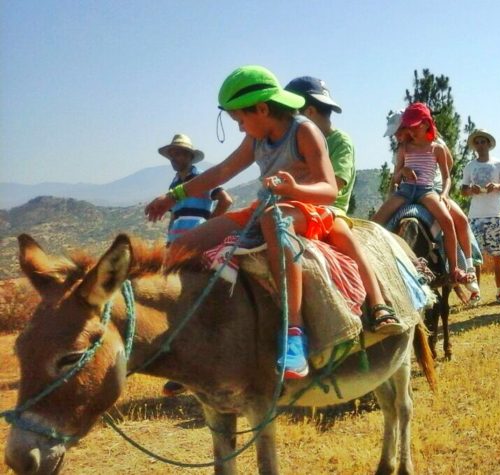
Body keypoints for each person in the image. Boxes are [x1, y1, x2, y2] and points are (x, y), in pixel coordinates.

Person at [145, 65, 395, 381]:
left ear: (262, 109)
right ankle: (193, 337)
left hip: (307, 209)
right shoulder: (255, 138)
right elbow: (221, 172)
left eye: (241, 119)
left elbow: (329, 190)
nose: (240, 128)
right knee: (184, 244)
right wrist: (173, 196)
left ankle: (294, 335)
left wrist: (294, 189)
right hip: (266, 205)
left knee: (272, 219)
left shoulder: (304, 131)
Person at [284, 76, 400, 332]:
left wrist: (293, 190)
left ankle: (379, 303)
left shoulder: (340, 142)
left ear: (309, 112)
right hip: (295, 207)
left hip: (328, 208)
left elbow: (336, 184)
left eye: (291, 114)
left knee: (343, 237)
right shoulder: (296, 142)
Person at [157, 133, 232, 397]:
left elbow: (226, 200)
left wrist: (208, 228)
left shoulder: (200, 179)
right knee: (182, 304)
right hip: (178, 249)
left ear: (189, 156)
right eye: (173, 154)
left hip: (196, 248)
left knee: (194, 303)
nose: (175, 158)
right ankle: (188, 370)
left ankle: (194, 371)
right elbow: (176, 216)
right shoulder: (176, 182)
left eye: (180, 154)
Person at [382, 110, 481, 301]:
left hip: (431, 188)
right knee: (380, 221)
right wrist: (402, 173)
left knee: (457, 219)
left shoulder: (437, 146)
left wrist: (442, 192)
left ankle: (464, 266)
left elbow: (447, 170)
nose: (396, 135)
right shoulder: (403, 148)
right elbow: (395, 177)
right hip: (406, 189)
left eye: (398, 131)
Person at [461, 129, 500, 305]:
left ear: (489, 144)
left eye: (483, 142)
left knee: (498, 255)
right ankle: (476, 292)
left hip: (494, 215)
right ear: (474, 146)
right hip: (475, 216)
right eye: (477, 142)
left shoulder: (499, 164)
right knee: (475, 258)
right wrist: (470, 190)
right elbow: (463, 190)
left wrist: (496, 186)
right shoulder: (469, 166)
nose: (480, 145)